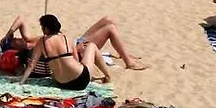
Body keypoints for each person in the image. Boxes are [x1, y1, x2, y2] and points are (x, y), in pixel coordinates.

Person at [14, 12, 145, 87]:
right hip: (80, 80)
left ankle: (124, 54)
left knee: (108, 20)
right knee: (93, 44)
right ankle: (110, 74)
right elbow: (76, 60)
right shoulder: (66, 38)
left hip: (61, 83)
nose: (18, 40)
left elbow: (31, 65)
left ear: (46, 29)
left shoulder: (40, 42)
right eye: (16, 41)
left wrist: (21, 82)